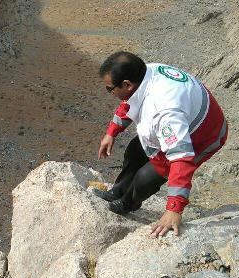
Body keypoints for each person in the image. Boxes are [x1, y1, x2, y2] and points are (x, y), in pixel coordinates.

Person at [94, 51, 228, 238]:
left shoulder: (163, 110)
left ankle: (128, 203)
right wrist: (111, 132)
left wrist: (174, 209)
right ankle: (118, 190)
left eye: (110, 89)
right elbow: (130, 103)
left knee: (147, 176)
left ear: (126, 84)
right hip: (186, 119)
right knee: (134, 150)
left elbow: (182, 158)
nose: (110, 93)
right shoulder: (145, 73)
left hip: (204, 136)